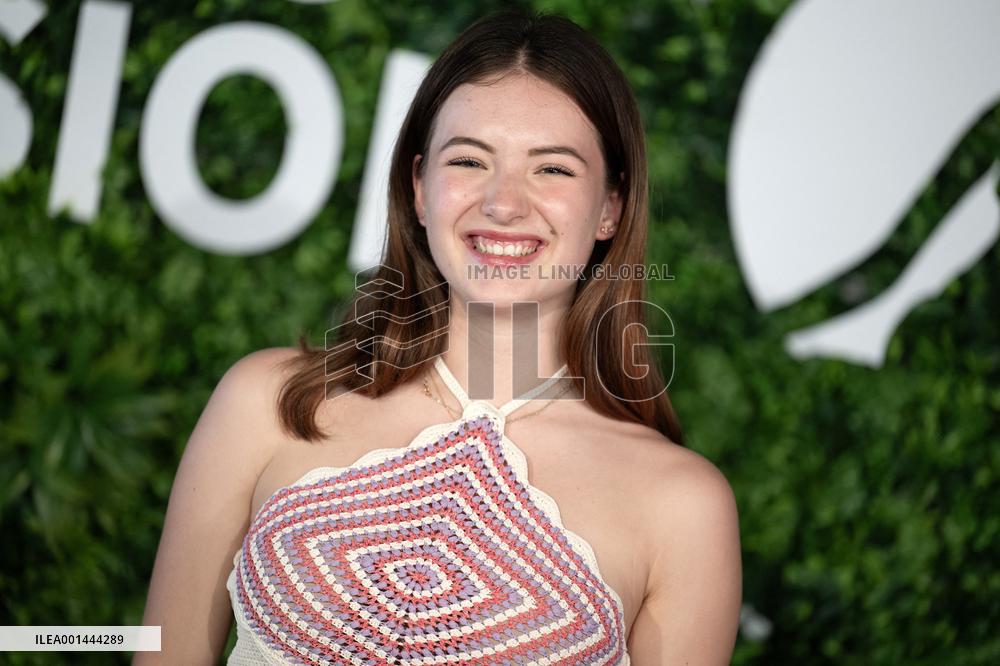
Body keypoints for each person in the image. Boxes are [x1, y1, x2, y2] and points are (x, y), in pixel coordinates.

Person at [137, 10, 741, 665]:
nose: (503, 203)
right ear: (419, 188)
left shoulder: (684, 508)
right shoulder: (268, 401)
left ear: (610, 207)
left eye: (553, 170)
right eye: (470, 160)